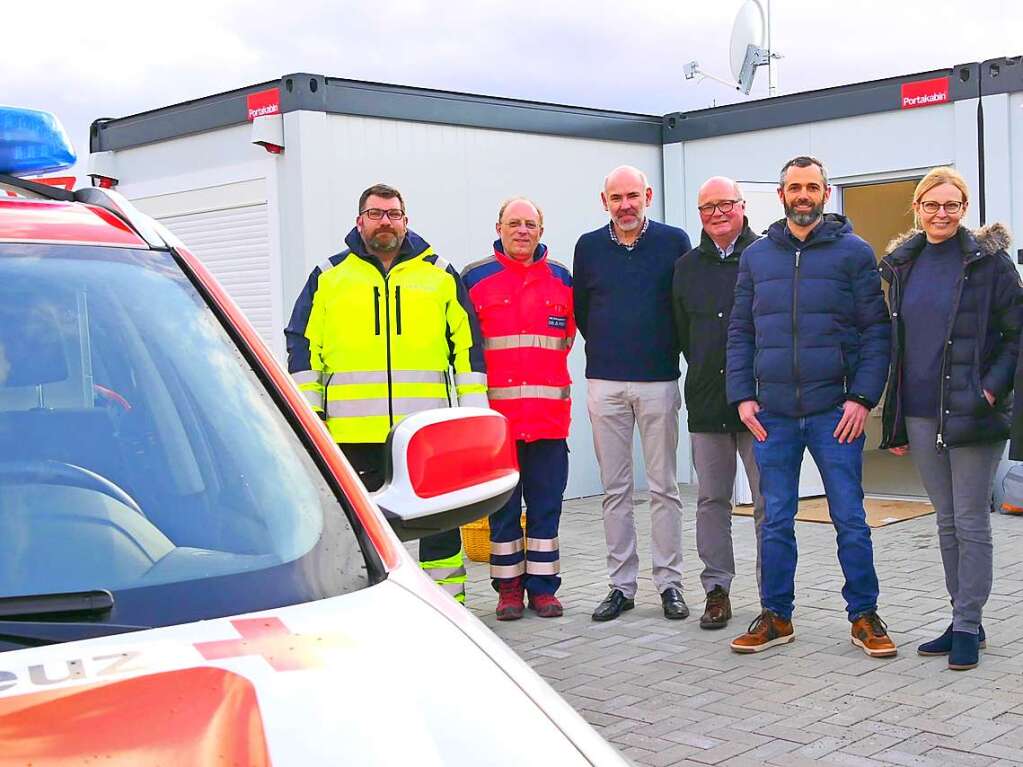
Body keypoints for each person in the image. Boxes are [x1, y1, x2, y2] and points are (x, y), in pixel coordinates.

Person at [726, 156, 896, 657]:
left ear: (824, 193)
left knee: (850, 516)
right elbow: (740, 330)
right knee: (775, 517)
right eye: (795, 187)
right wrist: (743, 395)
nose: (803, 195)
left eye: (812, 187)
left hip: (834, 413)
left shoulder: (854, 253)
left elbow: (875, 332)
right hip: (772, 413)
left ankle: (864, 616)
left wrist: (863, 398)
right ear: (781, 195)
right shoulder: (756, 257)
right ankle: (777, 616)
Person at [285, 183, 488, 603]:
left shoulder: (440, 275)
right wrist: (311, 418)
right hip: (351, 435)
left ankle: (448, 606)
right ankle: (368, 607)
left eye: (393, 214)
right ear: (359, 221)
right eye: (376, 214)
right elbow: (303, 346)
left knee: (440, 523)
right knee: (358, 527)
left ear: (405, 221)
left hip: (424, 433)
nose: (385, 222)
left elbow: (467, 348)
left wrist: (472, 417)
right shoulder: (329, 277)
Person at [880, 167, 1022, 670]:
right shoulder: (904, 264)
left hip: (973, 410)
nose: (942, 214)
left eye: (952, 205)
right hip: (920, 412)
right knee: (945, 520)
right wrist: (895, 418)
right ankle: (964, 618)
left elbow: (1016, 334)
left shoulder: (990, 263)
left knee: (970, 520)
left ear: (964, 210)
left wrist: (989, 389)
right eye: (932, 205)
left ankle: (967, 624)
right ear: (917, 208)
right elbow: (900, 346)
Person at [574, 165, 692, 622]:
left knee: (664, 487)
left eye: (632, 196)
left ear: (647, 196)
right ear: (604, 202)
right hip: (605, 381)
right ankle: (621, 586)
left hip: (659, 380)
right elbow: (584, 310)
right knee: (614, 489)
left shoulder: (673, 241)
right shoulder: (589, 246)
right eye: (616, 198)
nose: (625, 205)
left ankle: (670, 584)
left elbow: (681, 305)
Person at [462, 198, 574, 620]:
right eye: (514, 223)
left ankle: (543, 589)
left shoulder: (563, 279)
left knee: (547, 507)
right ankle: (508, 589)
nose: (522, 231)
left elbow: (567, 340)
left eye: (530, 224)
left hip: (548, 421)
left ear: (541, 230)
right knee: (502, 511)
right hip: (497, 425)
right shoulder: (474, 278)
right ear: (499, 227)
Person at [672, 176, 764, 630]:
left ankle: (775, 597)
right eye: (708, 207)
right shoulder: (686, 267)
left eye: (725, 204)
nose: (717, 213)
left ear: (742, 206)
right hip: (707, 401)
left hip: (761, 405)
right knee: (712, 500)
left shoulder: (767, 256)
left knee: (770, 501)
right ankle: (716, 591)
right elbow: (683, 334)